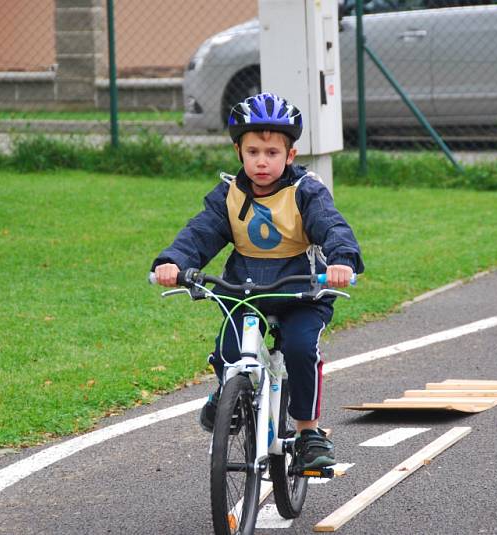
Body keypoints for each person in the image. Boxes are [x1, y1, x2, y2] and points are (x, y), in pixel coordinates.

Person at [152, 92, 364, 469]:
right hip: (245, 289)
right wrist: (173, 262)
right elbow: (200, 233)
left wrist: (342, 262)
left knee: (300, 349)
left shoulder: (306, 192)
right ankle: (227, 395)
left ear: (290, 156)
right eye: (253, 152)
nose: (261, 161)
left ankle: (307, 432)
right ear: (239, 152)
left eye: (271, 152)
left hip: (301, 290)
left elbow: (332, 227)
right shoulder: (228, 196)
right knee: (229, 350)